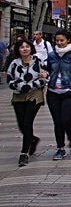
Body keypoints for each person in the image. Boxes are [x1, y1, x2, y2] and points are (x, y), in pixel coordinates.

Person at [46, 29, 71, 160]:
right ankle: (60, 148)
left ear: (68, 40)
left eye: (61, 40)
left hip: (68, 91)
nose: (59, 43)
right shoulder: (52, 55)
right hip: (52, 92)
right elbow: (48, 70)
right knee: (57, 121)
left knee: (65, 119)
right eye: (57, 40)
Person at [6, 38, 47, 166]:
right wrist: (21, 86)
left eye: (27, 47)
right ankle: (32, 139)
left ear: (31, 48)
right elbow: (9, 79)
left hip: (34, 95)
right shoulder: (14, 63)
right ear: (18, 49)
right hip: (18, 95)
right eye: (22, 47)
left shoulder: (38, 61)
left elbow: (46, 76)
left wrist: (33, 84)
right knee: (21, 124)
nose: (25, 49)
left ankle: (24, 153)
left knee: (27, 122)